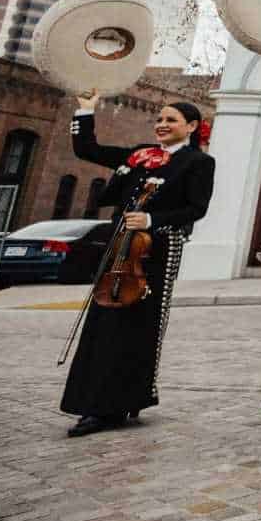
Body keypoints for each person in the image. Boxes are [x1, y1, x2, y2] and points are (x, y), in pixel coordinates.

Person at [61, 94, 214, 436]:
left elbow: (196, 208)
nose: (162, 124)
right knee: (105, 319)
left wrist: (150, 218)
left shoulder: (198, 163)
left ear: (191, 127)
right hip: (119, 245)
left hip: (155, 249)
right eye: (159, 119)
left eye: (171, 120)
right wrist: (86, 108)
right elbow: (88, 149)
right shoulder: (142, 155)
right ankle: (96, 402)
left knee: (138, 324)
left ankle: (125, 398)